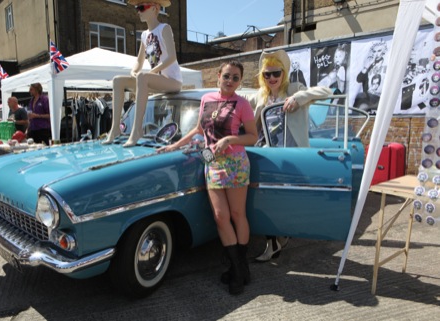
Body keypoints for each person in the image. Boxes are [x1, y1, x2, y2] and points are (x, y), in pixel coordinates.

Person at [158, 60, 258, 295]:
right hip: (211, 163)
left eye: (235, 78)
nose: (230, 81)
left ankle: (238, 269)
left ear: (239, 81)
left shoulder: (242, 104)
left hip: (235, 163)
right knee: (220, 217)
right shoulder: (206, 100)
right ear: (218, 76)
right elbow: (199, 131)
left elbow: (253, 136)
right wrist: (174, 145)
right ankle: (238, 268)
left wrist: (229, 140)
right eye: (227, 76)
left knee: (236, 214)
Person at [249, 50, 332, 261]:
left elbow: (326, 91)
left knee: (286, 200)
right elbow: (239, 100)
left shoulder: (294, 88)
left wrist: (298, 97)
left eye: (276, 73)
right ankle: (273, 242)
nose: (271, 78)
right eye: (266, 74)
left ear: (284, 72)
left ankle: (281, 235)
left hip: (292, 155)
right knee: (265, 198)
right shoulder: (261, 95)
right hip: (268, 154)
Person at [103, 0, 182, 146]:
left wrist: (151, 72)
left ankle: (137, 130)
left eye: (142, 7)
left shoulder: (165, 28)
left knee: (143, 77)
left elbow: (172, 57)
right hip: (154, 80)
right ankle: (115, 128)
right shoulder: (144, 35)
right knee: (117, 80)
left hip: (172, 81)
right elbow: (139, 61)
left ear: (154, 8)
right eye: (137, 8)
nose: (138, 11)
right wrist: (134, 71)